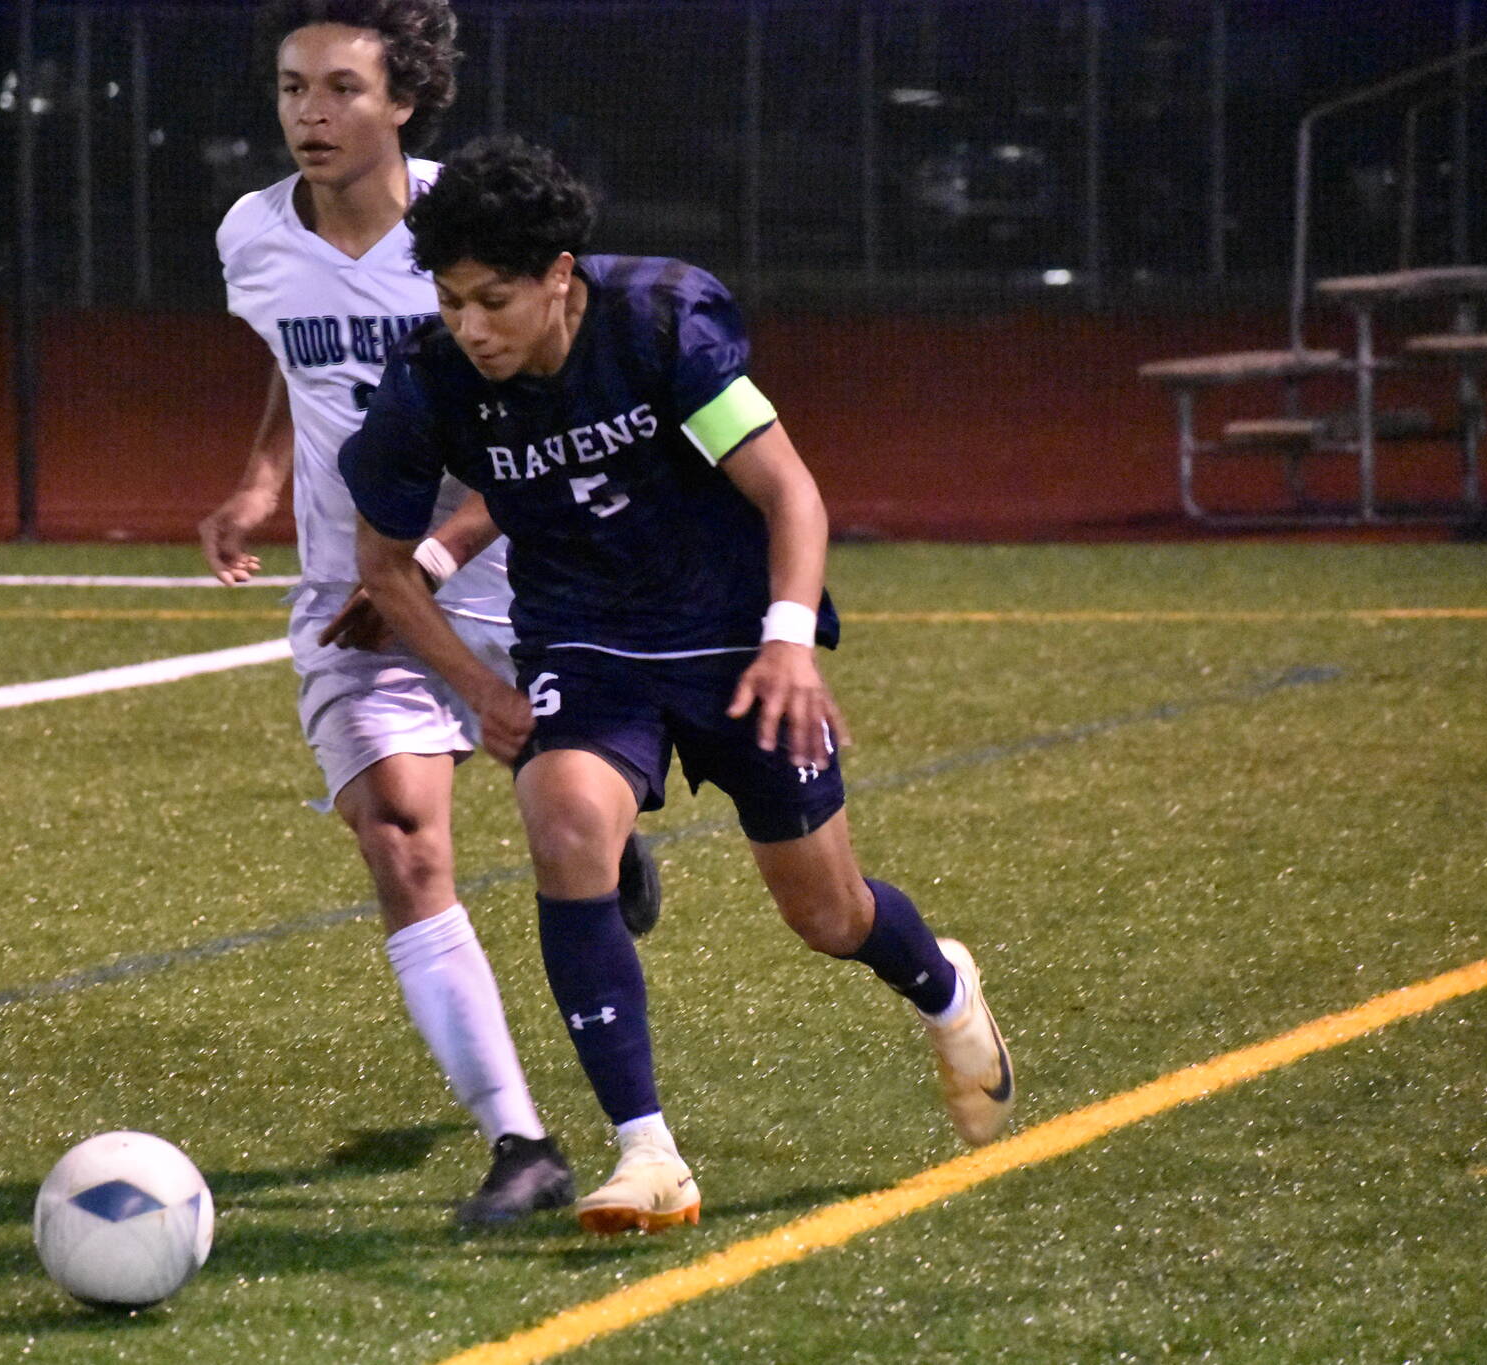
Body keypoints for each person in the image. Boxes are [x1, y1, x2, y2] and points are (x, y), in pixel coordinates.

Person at [340, 135, 1015, 1235]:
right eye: (451, 301)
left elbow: (790, 493)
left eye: (494, 300)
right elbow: (382, 565)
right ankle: (646, 1152)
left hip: (733, 639)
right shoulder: (432, 381)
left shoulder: (660, 324)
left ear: (560, 274)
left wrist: (788, 641)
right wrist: (476, 684)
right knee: (565, 825)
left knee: (826, 913)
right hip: (587, 643)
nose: (471, 327)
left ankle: (942, 986)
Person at [200, 1, 660, 1228]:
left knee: (563, 796)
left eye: (341, 88)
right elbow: (294, 366)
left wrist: (432, 554)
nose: (310, 113)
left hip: (525, 576)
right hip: (349, 598)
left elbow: (561, 400)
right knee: (401, 839)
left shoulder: (474, 227)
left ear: (403, 100)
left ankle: (597, 826)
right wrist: (258, 483)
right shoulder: (251, 234)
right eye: (292, 87)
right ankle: (520, 1142)